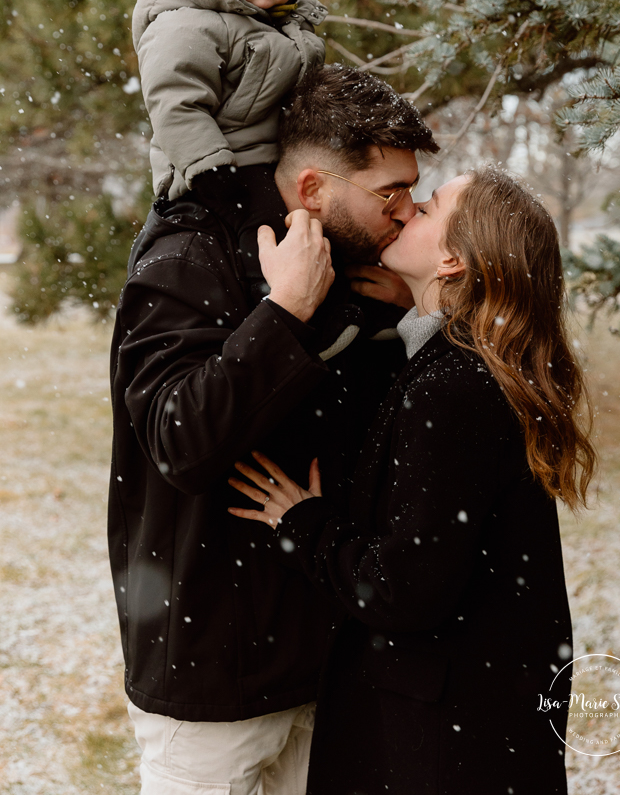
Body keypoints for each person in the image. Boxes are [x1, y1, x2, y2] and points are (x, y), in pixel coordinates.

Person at [108, 64, 438, 794]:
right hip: (212, 672)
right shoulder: (189, 252)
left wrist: (394, 310)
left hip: (327, 654)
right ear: (314, 188)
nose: (407, 211)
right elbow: (178, 440)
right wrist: (280, 312)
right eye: (390, 192)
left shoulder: (352, 265)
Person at [229, 166, 597, 795]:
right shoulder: (474, 368)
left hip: (438, 740)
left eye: (427, 210)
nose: (405, 211)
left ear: (453, 261)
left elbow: (402, 590)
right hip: (479, 720)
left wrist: (304, 524)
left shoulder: (454, 389)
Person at [133, 0, 328, 304]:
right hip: (216, 175)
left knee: (320, 227)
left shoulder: (289, 30)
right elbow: (175, 102)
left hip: (274, 168)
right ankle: (278, 305)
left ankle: (337, 305)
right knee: (260, 244)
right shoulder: (190, 23)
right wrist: (215, 173)